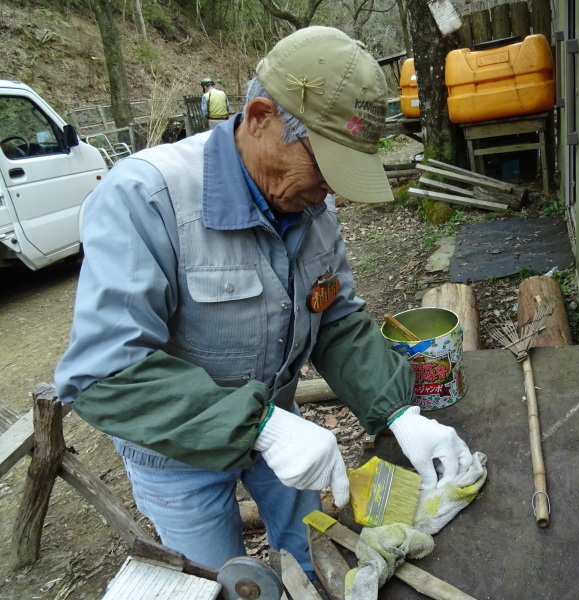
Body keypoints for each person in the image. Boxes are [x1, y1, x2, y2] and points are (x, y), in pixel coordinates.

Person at [55, 26, 473, 577]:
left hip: (282, 423)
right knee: (222, 580)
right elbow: (103, 374)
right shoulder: (145, 200)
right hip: (175, 450)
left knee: (319, 550)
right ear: (258, 118)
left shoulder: (311, 209)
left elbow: (337, 321)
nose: (334, 192)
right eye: (324, 168)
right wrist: (260, 427)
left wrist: (400, 411)